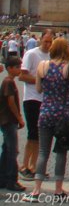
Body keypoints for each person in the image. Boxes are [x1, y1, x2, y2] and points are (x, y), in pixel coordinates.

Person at [24, 38, 69, 202]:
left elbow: (38, 88)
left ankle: (36, 190)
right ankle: (58, 190)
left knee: (43, 152)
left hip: (46, 111)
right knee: (61, 152)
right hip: (64, 113)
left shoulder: (43, 65)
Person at [19, 29, 53, 181]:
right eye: (46, 41)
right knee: (32, 134)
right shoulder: (31, 54)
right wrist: (41, 81)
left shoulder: (51, 56)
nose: (48, 44)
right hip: (32, 98)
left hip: (45, 99)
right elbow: (22, 75)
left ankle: (35, 167)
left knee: (41, 135)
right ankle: (25, 166)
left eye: (50, 42)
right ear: (40, 40)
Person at [0, 55, 26, 192]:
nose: (20, 69)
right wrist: (19, 118)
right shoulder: (8, 82)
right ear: (9, 68)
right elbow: (11, 102)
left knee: (6, 149)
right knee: (12, 150)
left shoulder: (8, 81)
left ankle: (2, 177)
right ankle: (12, 180)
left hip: (6, 120)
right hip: (8, 120)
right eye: (17, 67)